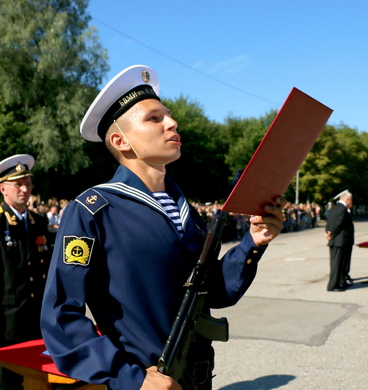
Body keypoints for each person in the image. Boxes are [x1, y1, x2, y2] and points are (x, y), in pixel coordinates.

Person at [40, 65, 286, 390]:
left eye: (168, 115)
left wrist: (252, 243)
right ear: (121, 140)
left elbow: (211, 291)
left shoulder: (185, 209)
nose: (172, 122)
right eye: (154, 118)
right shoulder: (94, 210)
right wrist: (131, 377)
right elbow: (61, 314)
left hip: (198, 378)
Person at [0, 154, 52, 389]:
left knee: (36, 384)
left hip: (37, 323)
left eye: (28, 184)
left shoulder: (38, 221)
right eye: (18, 185)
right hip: (7, 328)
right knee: (2, 385)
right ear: (3, 189)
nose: (25, 189)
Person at [325, 190, 355, 291]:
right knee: (337, 264)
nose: (351, 202)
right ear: (346, 199)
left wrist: (328, 232)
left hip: (337, 240)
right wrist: (331, 233)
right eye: (350, 200)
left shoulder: (334, 207)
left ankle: (341, 282)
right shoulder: (342, 209)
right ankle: (333, 285)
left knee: (340, 264)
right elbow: (339, 223)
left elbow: (329, 222)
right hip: (339, 240)